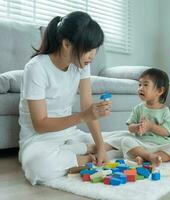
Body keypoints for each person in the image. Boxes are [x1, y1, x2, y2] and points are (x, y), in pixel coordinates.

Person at [19, 11, 115, 185]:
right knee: (38, 166)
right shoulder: (36, 68)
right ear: (66, 44)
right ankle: (84, 157)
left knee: (122, 138)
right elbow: (40, 125)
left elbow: (87, 106)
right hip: (38, 140)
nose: (92, 55)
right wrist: (84, 116)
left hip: (70, 135)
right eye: (88, 49)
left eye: (95, 49)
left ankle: (86, 150)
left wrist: (100, 146)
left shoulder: (81, 64)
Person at [106, 68, 170, 166]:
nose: (140, 88)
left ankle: (146, 157)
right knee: (126, 141)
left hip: (160, 145)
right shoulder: (138, 108)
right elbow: (130, 127)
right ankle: (149, 157)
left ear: (159, 91)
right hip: (141, 143)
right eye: (139, 84)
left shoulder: (165, 111)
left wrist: (150, 126)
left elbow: (167, 132)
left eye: (145, 85)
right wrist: (137, 127)